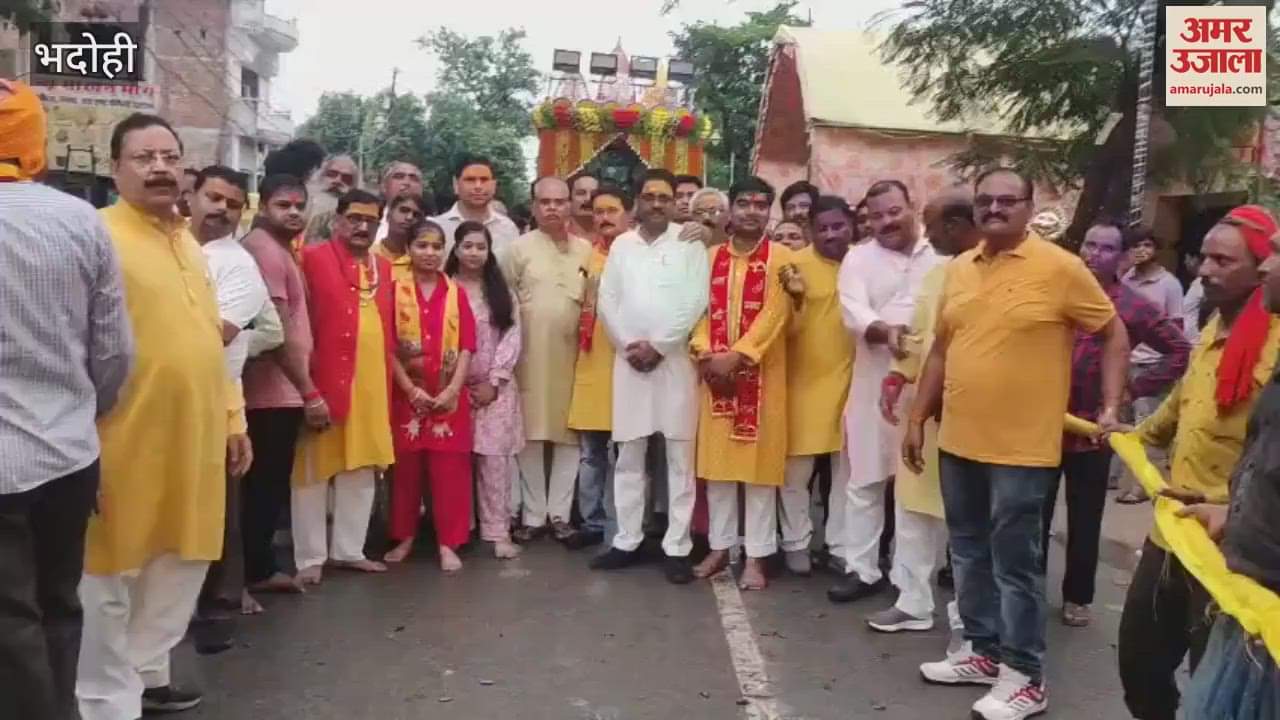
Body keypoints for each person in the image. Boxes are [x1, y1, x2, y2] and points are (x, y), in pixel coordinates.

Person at [903, 168, 1128, 720]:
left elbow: (1113, 333)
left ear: (1030, 208)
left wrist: (1110, 409)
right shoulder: (958, 268)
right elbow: (939, 350)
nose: (995, 209)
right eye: (986, 201)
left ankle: (1025, 677)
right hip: (959, 441)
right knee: (968, 553)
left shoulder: (1062, 269)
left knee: (1016, 565)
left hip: (1023, 452)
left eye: (1008, 201)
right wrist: (916, 417)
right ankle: (981, 652)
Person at [77, 112, 252, 719]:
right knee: (111, 573)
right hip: (122, 436)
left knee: (180, 561)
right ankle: (103, 701)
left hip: (197, 435)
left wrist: (234, 418)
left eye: (170, 157)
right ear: (115, 168)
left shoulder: (188, 243)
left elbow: (212, 338)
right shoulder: (95, 235)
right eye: (144, 157)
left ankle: (147, 677)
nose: (160, 168)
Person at [0, 80, 132, 720]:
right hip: (68, 453)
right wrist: (86, 413)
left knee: (10, 615)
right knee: (59, 599)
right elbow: (113, 351)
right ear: (35, 146)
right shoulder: (82, 221)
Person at [1117, 205, 1280, 720]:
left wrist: (1225, 506)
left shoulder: (1274, 345)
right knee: (1140, 663)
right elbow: (1186, 398)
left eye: (1221, 261)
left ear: (1259, 269)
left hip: (1228, 551)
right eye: (1203, 258)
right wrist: (1134, 436)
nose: (1204, 270)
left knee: (1211, 683)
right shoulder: (1212, 326)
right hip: (1171, 535)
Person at [1046, 220, 1189, 628]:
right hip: (1045, 423)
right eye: (1089, 245)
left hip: (1095, 429)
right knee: (1031, 512)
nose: (1094, 254)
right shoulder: (1058, 293)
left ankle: (1077, 598)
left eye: (1107, 248)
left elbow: (1179, 351)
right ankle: (1027, 587)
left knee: (1085, 518)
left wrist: (1133, 389)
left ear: (1123, 257)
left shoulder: (1131, 306)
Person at [1179, 210, 1280, 718]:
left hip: (1259, 592)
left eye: (1277, 255)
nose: (1204, 269)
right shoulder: (1212, 326)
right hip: (1208, 536)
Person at [589, 170, 710, 584]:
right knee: (629, 455)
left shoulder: (690, 243)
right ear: (637, 202)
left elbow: (696, 299)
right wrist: (628, 346)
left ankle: (677, 546)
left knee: (679, 458)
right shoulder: (621, 244)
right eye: (649, 196)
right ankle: (626, 540)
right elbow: (608, 300)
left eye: (665, 197)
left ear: (675, 202)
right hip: (629, 364)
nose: (657, 204)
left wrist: (659, 345)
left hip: (675, 363)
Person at [830, 180, 945, 613]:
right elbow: (852, 311)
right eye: (876, 216)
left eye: (893, 211)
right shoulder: (858, 258)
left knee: (915, 486)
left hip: (928, 386)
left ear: (911, 207)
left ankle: (910, 581)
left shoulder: (942, 254)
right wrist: (886, 332)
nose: (885, 222)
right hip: (873, 382)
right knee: (864, 479)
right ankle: (861, 569)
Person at [876, 189, 982, 634]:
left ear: (956, 226)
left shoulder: (987, 272)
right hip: (925, 411)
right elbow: (921, 333)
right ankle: (914, 602)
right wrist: (898, 373)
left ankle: (971, 618)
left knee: (967, 518)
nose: (926, 231)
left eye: (932, 223)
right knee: (913, 505)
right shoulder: (940, 271)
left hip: (972, 415)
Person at [186, 165, 281, 647]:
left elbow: (213, 335)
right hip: (160, 398)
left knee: (217, 508)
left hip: (216, 398)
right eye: (213, 197)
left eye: (231, 203)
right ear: (192, 195)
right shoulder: (172, 247)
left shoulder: (237, 264)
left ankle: (217, 607)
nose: (220, 209)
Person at [690, 176, 794, 591]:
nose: (753, 210)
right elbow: (696, 308)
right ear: (730, 209)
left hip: (764, 377)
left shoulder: (784, 258)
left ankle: (756, 556)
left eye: (761, 204)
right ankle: (719, 547)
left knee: (758, 474)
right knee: (717, 470)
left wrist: (740, 354)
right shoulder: (709, 257)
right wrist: (703, 351)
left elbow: (777, 314)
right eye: (745, 203)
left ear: (770, 211)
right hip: (714, 375)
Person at [292, 188, 396, 583]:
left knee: (362, 467)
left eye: (370, 220)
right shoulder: (312, 259)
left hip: (372, 386)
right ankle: (310, 558)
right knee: (313, 471)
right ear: (337, 220)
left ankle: (349, 550)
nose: (362, 226)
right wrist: (306, 389)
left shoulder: (382, 267)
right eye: (354, 218)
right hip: (325, 382)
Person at [501, 177, 592, 542]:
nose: (553, 207)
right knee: (532, 435)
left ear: (570, 205)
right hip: (530, 356)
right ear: (534, 206)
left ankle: (559, 513)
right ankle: (534, 515)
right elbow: (503, 303)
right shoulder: (517, 250)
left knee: (570, 436)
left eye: (560, 201)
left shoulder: (586, 249)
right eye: (545, 201)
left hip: (576, 357)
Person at [239, 174, 315, 604]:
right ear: (263, 206)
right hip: (272, 392)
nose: (293, 213)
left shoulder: (276, 249)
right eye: (283, 205)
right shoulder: (265, 252)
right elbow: (276, 329)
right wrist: (309, 390)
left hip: (281, 391)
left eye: (299, 206)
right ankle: (253, 572)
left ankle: (258, 567)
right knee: (263, 485)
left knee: (268, 485)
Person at [383, 221, 476, 571]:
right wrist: (409, 388)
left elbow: (467, 346)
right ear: (409, 250)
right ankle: (404, 536)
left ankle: (448, 543)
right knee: (406, 470)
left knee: (449, 471)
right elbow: (388, 347)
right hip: (406, 394)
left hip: (449, 396)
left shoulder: (456, 293)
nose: (430, 253)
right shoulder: (395, 292)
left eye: (437, 246)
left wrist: (453, 389)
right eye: (422, 245)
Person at [781, 196, 855, 578]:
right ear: (810, 230)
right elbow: (783, 325)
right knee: (796, 471)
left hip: (853, 382)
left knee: (846, 473)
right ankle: (795, 542)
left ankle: (840, 546)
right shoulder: (795, 265)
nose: (831, 234)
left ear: (851, 226)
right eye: (822, 227)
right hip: (803, 382)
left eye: (838, 226)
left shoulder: (863, 264)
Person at [448, 222, 524, 559]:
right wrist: (454, 382)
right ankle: (457, 529)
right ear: (455, 249)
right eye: (467, 246)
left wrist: (494, 381)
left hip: (496, 390)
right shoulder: (445, 288)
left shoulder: (501, 293)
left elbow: (512, 336)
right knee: (456, 463)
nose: (474, 253)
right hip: (452, 388)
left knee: (494, 462)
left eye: (481, 246)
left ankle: (497, 532)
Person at [565, 184, 631, 550]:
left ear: (628, 214)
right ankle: (592, 522)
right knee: (592, 452)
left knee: (627, 454)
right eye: (599, 211)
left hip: (628, 364)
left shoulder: (637, 254)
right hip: (593, 363)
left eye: (612, 209)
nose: (604, 217)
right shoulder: (587, 254)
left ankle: (626, 525)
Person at [1116, 226, 1188, 504]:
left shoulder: (1168, 284)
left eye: (1147, 245)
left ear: (1156, 249)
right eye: (1135, 246)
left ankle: (1142, 487)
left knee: (1145, 429)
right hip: (1126, 361)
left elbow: (1176, 329)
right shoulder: (1126, 280)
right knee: (1120, 426)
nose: (1141, 251)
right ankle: (1117, 480)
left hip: (1154, 364)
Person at [432, 156, 521, 257]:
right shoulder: (437, 227)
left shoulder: (508, 228)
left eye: (484, 180)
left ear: (494, 185)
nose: (478, 186)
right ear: (456, 184)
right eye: (470, 180)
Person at [372, 191, 429, 281]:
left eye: (416, 215)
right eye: (404, 210)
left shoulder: (420, 261)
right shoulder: (369, 254)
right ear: (388, 215)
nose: (409, 217)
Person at [303, 154, 358, 245]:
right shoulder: (301, 201)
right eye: (332, 174)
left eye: (346, 178)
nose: (337, 181)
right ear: (321, 176)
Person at [376, 161, 425, 241]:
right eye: (399, 177)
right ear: (384, 186)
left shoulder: (436, 227)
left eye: (414, 178)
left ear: (421, 189)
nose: (406, 183)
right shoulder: (370, 221)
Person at [1183, 250, 1206, 345]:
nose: (1185, 262)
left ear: (1195, 259)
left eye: (1186, 258)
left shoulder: (1203, 284)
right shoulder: (1197, 284)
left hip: (1196, 342)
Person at [567, 172, 600, 239]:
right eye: (581, 193)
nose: (588, 198)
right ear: (568, 200)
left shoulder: (612, 235)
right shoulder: (555, 236)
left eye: (594, 194)